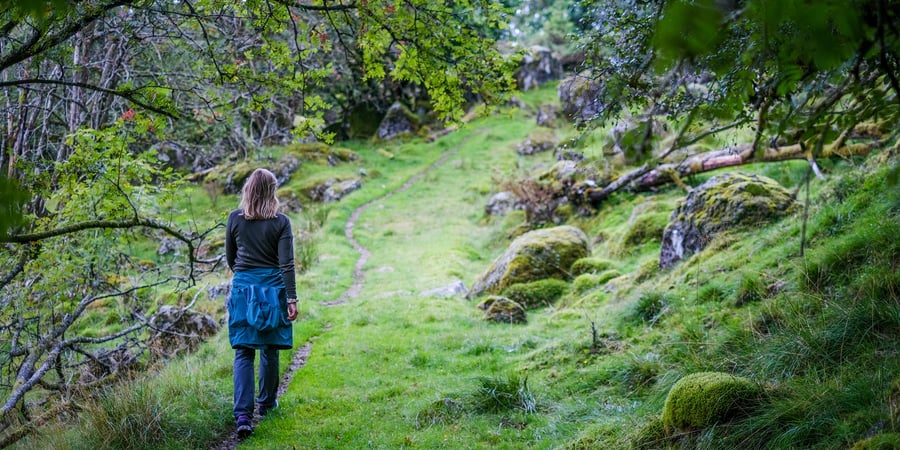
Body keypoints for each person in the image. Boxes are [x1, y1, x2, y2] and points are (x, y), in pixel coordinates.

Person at [225, 168, 299, 438]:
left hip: (244, 288)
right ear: (272, 191)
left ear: (248, 189)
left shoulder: (234, 219)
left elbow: (231, 259)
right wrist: (291, 298)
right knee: (269, 348)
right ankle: (267, 404)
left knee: (243, 350)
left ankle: (243, 416)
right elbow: (286, 264)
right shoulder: (281, 222)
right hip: (273, 289)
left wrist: (246, 278)